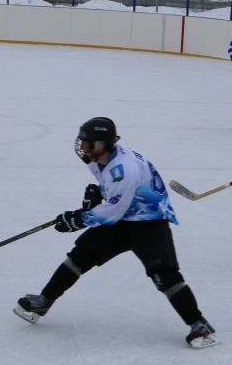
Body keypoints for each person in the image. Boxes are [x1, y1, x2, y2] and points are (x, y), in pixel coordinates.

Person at [14, 118, 219, 349]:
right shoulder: (97, 160)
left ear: (101, 145)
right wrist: (96, 197)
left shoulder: (124, 169)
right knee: (80, 256)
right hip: (123, 219)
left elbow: (112, 211)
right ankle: (44, 301)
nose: (82, 146)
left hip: (149, 221)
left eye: (87, 142)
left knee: (164, 275)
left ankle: (199, 324)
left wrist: (79, 219)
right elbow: (114, 199)